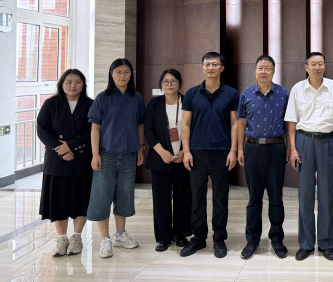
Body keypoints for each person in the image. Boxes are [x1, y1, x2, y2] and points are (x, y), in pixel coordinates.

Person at [286, 51, 333, 261]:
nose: (317, 67)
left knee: (326, 194)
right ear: (306, 67)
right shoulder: (297, 89)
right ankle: (305, 243)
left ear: (324, 66)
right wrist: (293, 149)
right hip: (304, 142)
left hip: (327, 142)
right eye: (313, 64)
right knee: (305, 195)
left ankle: (326, 243)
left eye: (320, 63)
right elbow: (292, 121)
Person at [180, 52, 239, 258]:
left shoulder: (231, 94)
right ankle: (198, 238)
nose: (211, 68)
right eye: (207, 64)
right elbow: (185, 124)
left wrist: (233, 150)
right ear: (203, 67)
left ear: (222, 68)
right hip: (197, 152)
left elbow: (235, 124)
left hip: (222, 152)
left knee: (220, 198)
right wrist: (186, 151)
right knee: (197, 197)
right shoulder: (192, 94)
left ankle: (219, 238)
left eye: (215, 64)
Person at [87, 58, 146, 259]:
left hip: (129, 155)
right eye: (118, 72)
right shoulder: (102, 98)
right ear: (111, 74)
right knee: (102, 196)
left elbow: (140, 126)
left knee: (124, 195)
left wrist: (141, 149)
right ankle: (105, 239)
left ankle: (120, 235)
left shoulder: (137, 98)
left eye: (126, 72)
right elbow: (95, 128)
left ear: (131, 75)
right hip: (106, 155)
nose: (122, 75)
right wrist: (95, 154)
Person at [236, 55, 289, 260]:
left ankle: (277, 240)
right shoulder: (246, 93)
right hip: (252, 148)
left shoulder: (283, 93)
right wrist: (240, 149)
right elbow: (241, 122)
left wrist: (290, 148)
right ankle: (252, 240)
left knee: (276, 197)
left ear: (274, 71)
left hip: (276, 147)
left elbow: (289, 123)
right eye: (260, 68)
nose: (263, 71)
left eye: (267, 68)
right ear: (255, 70)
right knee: (254, 198)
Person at [37, 69, 93, 257]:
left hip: (81, 158)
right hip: (56, 160)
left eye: (77, 82)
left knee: (80, 200)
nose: (73, 86)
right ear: (62, 84)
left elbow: (93, 130)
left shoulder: (90, 104)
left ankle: (76, 237)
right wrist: (61, 150)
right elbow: (42, 129)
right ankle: (62, 239)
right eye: (69, 82)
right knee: (57, 201)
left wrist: (71, 146)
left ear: (83, 84)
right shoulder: (51, 104)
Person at [144, 68, 191, 252]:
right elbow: (148, 130)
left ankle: (181, 234)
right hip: (160, 159)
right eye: (166, 81)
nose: (169, 84)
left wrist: (184, 151)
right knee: (161, 199)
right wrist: (161, 152)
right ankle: (163, 237)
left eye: (173, 81)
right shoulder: (154, 104)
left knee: (183, 197)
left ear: (180, 83)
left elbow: (194, 127)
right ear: (161, 85)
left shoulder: (188, 101)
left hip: (183, 158)